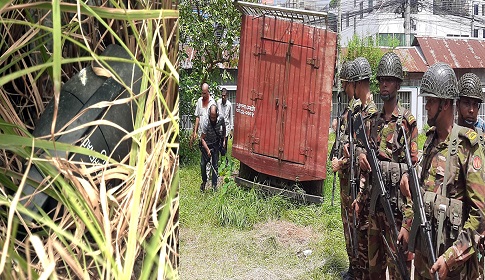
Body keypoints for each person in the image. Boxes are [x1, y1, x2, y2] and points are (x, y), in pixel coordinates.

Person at [400, 62, 485, 279]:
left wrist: (451, 256)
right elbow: (418, 192)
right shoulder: (430, 141)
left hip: (453, 265)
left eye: (431, 101)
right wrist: (407, 224)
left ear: (445, 104)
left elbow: (480, 214)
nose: (426, 106)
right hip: (424, 257)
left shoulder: (468, 147)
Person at [356, 52, 417, 279]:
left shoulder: (406, 123)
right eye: (381, 80)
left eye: (389, 80)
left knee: (399, 271)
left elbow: (412, 180)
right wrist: (360, 196)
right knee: (374, 271)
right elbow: (365, 161)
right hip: (374, 211)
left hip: (397, 212)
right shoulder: (373, 121)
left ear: (398, 84)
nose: (384, 84)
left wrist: (408, 223)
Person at [348, 56, 379, 280]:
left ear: (359, 84)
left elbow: (370, 159)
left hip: (368, 191)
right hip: (360, 186)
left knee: (368, 244)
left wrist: (361, 195)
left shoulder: (372, 115)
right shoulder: (360, 112)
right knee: (359, 240)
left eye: (353, 84)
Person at [331, 59, 359, 280]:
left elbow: (360, 150)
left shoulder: (358, 111)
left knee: (355, 226)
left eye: (343, 82)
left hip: (354, 180)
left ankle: (358, 269)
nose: (341, 85)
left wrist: (342, 163)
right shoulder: (348, 109)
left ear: (350, 82)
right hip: (345, 179)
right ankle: (353, 267)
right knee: (347, 225)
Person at [200, 104, 226, 191]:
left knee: (215, 166)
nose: (213, 119)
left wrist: (224, 141)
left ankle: (214, 187)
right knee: (203, 164)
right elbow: (202, 139)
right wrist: (207, 150)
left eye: (214, 117)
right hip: (206, 144)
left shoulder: (221, 118)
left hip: (215, 144)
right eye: (211, 117)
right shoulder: (206, 121)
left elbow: (224, 129)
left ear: (217, 114)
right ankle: (204, 182)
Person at [217, 88, 233, 162]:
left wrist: (231, 130)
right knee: (218, 145)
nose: (223, 97)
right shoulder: (218, 103)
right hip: (219, 127)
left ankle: (224, 162)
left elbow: (231, 117)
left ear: (227, 96)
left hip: (226, 128)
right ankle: (218, 161)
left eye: (225, 96)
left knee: (224, 146)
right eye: (222, 95)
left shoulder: (229, 105)